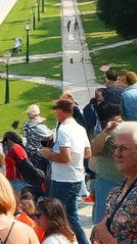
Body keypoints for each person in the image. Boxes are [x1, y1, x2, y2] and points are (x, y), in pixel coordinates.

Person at [39, 98, 91, 244]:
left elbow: (65, 157)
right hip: (75, 178)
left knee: (53, 216)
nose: (55, 113)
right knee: (71, 216)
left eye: (56, 110)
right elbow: (87, 153)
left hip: (63, 179)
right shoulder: (79, 129)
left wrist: (48, 154)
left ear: (62, 111)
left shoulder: (64, 129)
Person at [90, 107, 124, 226]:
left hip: (124, 182)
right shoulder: (107, 134)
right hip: (106, 181)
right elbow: (93, 150)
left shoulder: (131, 134)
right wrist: (106, 131)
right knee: (102, 221)